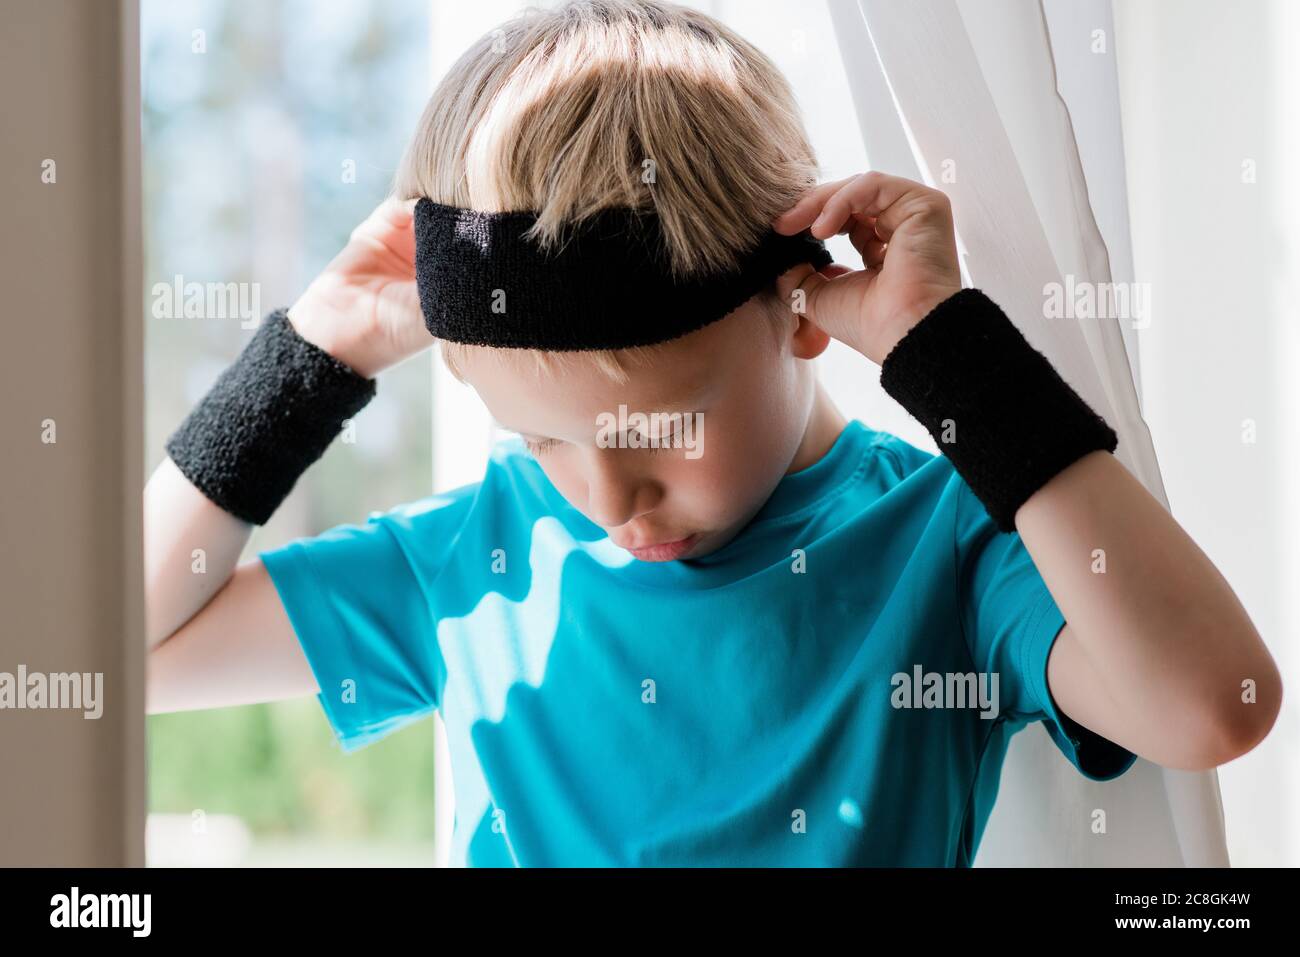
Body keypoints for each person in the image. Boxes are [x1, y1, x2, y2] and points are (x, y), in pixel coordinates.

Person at [145, 0, 1280, 866]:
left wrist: (952, 357)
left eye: (662, 429)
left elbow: (1212, 704)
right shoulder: (476, 558)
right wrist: (306, 362)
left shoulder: (940, 546)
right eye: (545, 444)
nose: (609, 502)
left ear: (797, 306)